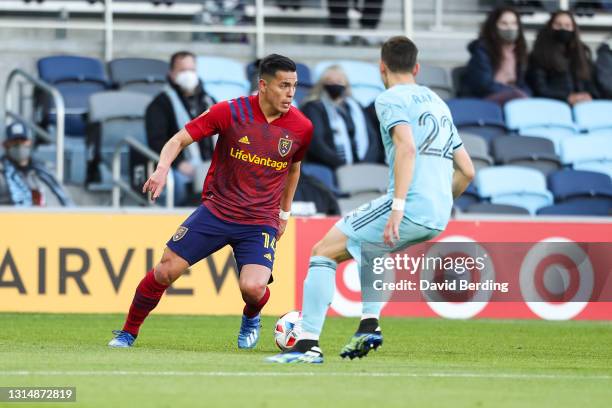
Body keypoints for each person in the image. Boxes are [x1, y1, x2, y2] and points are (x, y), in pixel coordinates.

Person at [267, 36, 475, 364]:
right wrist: (437, 203)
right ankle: (369, 325)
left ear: (382, 67)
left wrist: (400, 206)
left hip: (410, 204)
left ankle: (307, 345)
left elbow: (405, 147)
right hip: (438, 212)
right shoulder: (438, 103)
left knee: (322, 252)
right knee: (372, 248)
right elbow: (467, 170)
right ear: (417, 68)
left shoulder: (391, 98)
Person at [108, 54, 313, 349]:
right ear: (263, 85)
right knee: (165, 270)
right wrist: (162, 169)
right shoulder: (230, 111)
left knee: (253, 288)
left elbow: (294, 168)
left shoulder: (301, 127)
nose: (291, 93)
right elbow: (178, 139)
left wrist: (284, 213)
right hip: (217, 211)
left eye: (294, 86)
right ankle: (128, 333)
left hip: (259, 220)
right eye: (284, 86)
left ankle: (251, 316)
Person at [142, 51, 216, 206]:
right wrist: (179, 164)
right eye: (182, 71)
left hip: (210, 164)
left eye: (192, 70)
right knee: (179, 181)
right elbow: (156, 141)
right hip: (180, 167)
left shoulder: (209, 100)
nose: (188, 75)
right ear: (172, 73)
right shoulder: (160, 104)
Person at [301, 65, 383, 170]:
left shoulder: (356, 107)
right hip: (330, 168)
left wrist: (365, 164)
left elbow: (373, 139)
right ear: (322, 84)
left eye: (339, 80)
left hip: (364, 167)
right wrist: (342, 165)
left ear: (346, 84)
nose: (335, 84)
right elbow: (317, 144)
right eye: (329, 81)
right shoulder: (313, 108)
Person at [526, 10, 600, 105]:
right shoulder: (538, 55)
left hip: (583, 107)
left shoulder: (581, 55)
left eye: (567, 26)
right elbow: (539, 89)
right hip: (554, 106)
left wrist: (590, 95)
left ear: (574, 29)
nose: (563, 29)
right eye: (558, 25)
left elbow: (591, 86)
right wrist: (566, 97)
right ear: (550, 27)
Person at [461, 6, 531, 104]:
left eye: (514, 23)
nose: (510, 28)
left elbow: (521, 83)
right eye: (504, 23)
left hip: (511, 98)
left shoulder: (518, 50)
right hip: (484, 99)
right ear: (493, 26)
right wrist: (514, 92)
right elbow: (484, 85)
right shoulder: (482, 50)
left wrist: (527, 94)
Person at [0, 121, 73, 207]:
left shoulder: (44, 171)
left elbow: (64, 200)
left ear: (30, 142)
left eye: (23, 140)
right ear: (5, 145)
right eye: (14, 141)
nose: (19, 145)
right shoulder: (2, 172)